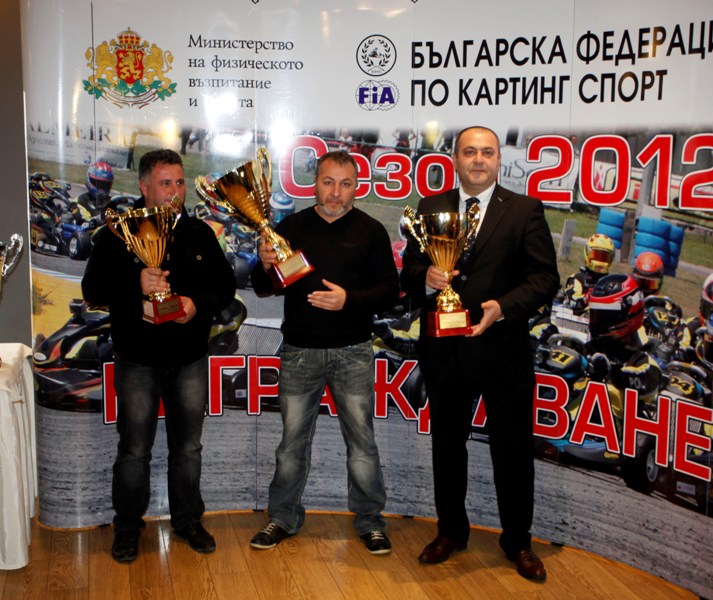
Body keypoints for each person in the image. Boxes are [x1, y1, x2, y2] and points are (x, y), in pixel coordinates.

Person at [400, 126, 560, 581]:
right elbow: (409, 268)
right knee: (448, 448)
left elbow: (545, 278)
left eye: (487, 152)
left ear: (498, 160)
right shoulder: (431, 208)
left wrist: (502, 307)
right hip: (445, 350)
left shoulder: (525, 210)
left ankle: (518, 542)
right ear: (455, 158)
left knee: (513, 451)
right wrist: (425, 277)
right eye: (469, 152)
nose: (478, 160)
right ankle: (450, 531)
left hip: (503, 352)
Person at [81, 149, 236, 563]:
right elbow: (92, 290)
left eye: (180, 182)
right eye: (166, 183)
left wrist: (196, 304)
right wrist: (134, 283)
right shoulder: (116, 234)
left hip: (189, 358)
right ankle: (128, 526)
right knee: (134, 449)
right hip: (137, 359)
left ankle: (187, 521)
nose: (175, 192)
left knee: (188, 448)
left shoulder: (199, 233)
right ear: (144, 186)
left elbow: (224, 287)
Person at [249, 150, 399, 555]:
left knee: (362, 445)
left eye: (345, 184)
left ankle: (370, 521)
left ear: (357, 187)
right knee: (291, 445)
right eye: (328, 182)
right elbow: (263, 287)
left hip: (354, 352)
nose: (336, 192)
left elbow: (390, 290)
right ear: (314, 183)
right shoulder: (291, 227)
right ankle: (282, 517)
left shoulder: (371, 231)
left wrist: (349, 300)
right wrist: (263, 263)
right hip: (300, 352)